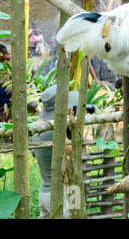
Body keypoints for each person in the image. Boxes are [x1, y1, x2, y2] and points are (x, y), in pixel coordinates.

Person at [32, 85, 79, 219]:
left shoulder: (37, 129)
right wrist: (75, 126)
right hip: (63, 192)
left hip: (44, 192)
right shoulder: (56, 132)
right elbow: (73, 151)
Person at [0, 44, 12, 122]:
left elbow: (12, 77)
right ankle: (3, 121)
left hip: (8, 90)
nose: (6, 56)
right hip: (0, 90)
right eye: (4, 54)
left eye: (7, 54)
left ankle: (7, 120)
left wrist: (10, 86)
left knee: (13, 106)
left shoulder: (8, 65)